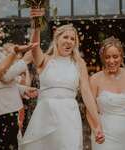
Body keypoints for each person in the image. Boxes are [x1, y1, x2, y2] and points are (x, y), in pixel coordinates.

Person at [19, 8, 104, 150]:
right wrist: (36, 25)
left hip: (69, 116)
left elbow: (87, 94)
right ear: (56, 38)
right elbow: (34, 47)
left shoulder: (79, 63)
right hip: (45, 114)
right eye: (65, 37)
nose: (69, 41)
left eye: (73, 39)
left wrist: (97, 124)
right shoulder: (45, 60)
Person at [86, 36, 125, 150]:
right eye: (107, 57)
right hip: (104, 135)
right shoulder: (95, 79)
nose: (111, 61)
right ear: (102, 58)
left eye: (115, 57)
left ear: (121, 56)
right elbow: (90, 111)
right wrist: (96, 129)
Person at [0, 22, 38, 150]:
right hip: (3, 110)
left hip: (7, 108)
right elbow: (2, 75)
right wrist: (25, 61)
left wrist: (22, 89)